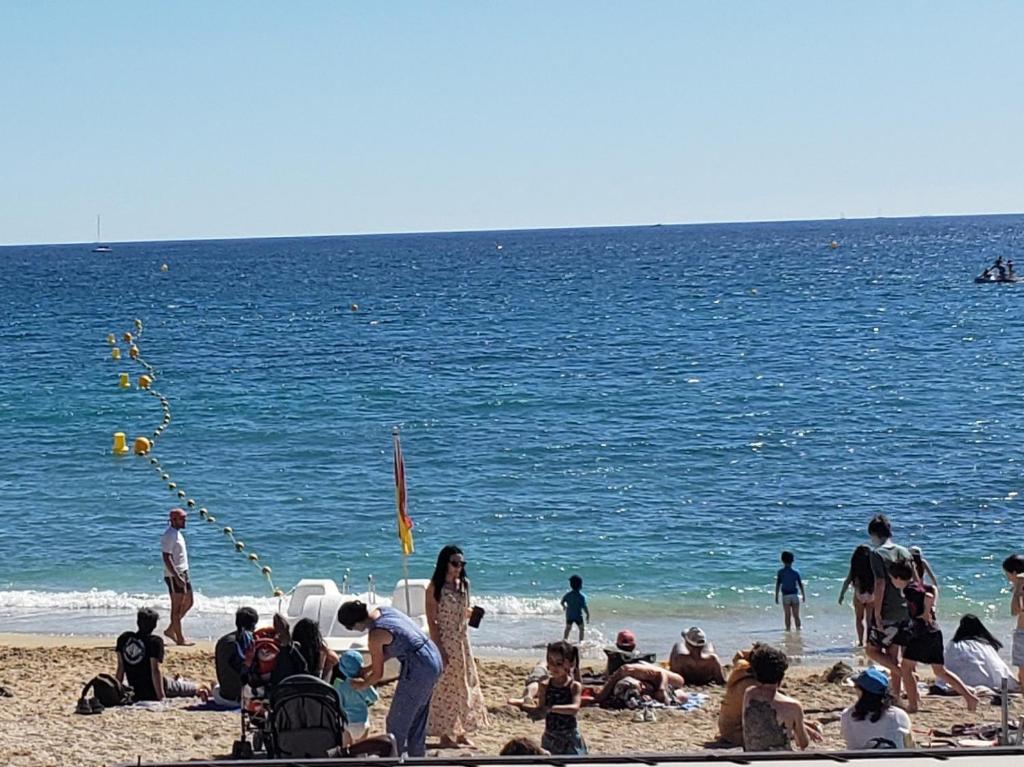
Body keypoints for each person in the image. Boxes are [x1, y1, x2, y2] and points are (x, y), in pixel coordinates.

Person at [338, 600, 442, 758]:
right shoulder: (384, 611)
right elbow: (394, 647)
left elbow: (378, 675)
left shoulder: (375, 635)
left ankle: (393, 758)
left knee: (396, 723)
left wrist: (362, 684)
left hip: (418, 667)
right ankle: (417, 757)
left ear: (356, 623)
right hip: (432, 656)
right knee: (417, 718)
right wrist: (367, 669)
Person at [888, 560, 978, 712]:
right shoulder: (916, 585)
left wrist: (925, 612)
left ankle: (913, 704)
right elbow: (931, 590)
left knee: (906, 668)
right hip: (933, 631)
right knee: (940, 671)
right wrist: (929, 611)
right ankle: (969, 697)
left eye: (891, 578)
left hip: (921, 633)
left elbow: (929, 596)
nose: (891, 581)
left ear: (897, 578)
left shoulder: (910, 590)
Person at [425, 545, 489, 748]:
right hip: (445, 640)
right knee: (446, 687)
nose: (458, 567)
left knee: (465, 684)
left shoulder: (464, 584)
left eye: (461, 564)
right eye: (454, 563)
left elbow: (463, 610)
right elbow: (432, 621)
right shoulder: (435, 587)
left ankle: (461, 731)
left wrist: (473, 613)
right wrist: (440, 649)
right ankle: (445, 734)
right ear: (445, 563)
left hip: (462, 641)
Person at [115, 607, 208, 702]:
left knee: (175, 682)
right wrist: (161, 696)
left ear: (137, 622)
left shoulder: (124, 639)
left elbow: (121, 668)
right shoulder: (154, 642)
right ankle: (188, 686)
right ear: (154, 625)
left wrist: (116, 691)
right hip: (156, 689)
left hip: (136, 688)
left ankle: (179, 681)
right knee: (201, 686)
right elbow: (155, 670)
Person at [866, 514, 912, 700]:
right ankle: (896, 694)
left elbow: (880, 583)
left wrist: (876, 612)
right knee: (893, 653)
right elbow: (914, 580)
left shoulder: (877, 554)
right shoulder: (904, 551)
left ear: (875, 534)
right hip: (905, 609)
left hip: (888, 609)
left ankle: (903, 675)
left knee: (871, 650)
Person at [512, 641, 587, 755]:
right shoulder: (545, 685)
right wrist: (524, 708)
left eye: (559, 663)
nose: (554, 667)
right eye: (551, 662)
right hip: (550, 735)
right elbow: (541, 709)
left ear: (570, 663)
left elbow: (575, 708)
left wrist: (552, 708)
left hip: (569, 736)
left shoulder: (573, 686)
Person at [742, 644, 818, 751]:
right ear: (781, 676)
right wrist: (797, 727)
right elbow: (802, 743)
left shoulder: (749, 694)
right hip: (780, 760)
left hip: (753, 757)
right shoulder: (793, 706)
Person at [839, 667, 913, 749]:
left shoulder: (847, 715)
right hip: (892, 760)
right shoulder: (898, 715)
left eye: (856, 687)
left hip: (858, 760)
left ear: (861, 691)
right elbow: (909, 745)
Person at [945, 614, 1020, 693]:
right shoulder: (983, 645)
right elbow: (997, 667)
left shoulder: (953, 644)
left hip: (958, 680)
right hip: (985, 681)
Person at [212, 606, 258, 705]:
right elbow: (243, 673)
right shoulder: (247, 641)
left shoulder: (224, 640)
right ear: (253, 625)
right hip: (238, 698)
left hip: (223, 694)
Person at [161, 507, 193, 645]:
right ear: (174, 520)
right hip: (175, 575)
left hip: (183, 572)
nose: (185, 521)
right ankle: (180, 639)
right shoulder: (169, 535)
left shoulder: (177, 533)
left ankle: (170, 629)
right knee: (177, 607)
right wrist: (176, 576)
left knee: (189, 602)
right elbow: (166, 557)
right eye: (182, 519)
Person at [334, 649, 380, 746]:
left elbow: (339, 704)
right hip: (362, 722)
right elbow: (375, 698)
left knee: (346, 749)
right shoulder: (362, 685)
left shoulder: (339, 685)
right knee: (361, 749)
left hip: (347, 723)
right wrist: (367, 681)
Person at [593, 662, 686, 706]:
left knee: (680, 682)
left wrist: (661, 688)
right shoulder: (620, 688)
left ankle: (648, 665)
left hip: (661, 676)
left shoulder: (630, 670)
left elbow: (662, 674)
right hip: (644, 681)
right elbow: (602, 696)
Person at [718, 647, 757, 746]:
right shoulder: (752, 686)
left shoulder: (741, 668)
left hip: (726, 728)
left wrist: (752, 653)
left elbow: (739, 655)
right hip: (737, 733)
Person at [838, 545, 876, 646]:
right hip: (872, 595)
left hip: (859, 595)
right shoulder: (872, 567)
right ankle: (868, 641)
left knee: (859, 619)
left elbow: (847, 581)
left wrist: (842, 595)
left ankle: (860, 642)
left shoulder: (855, 568)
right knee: (869, 621)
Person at [1002, 553, 1024, 690]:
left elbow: (1016, 610)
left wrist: (1017, 588)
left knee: (1023, 672)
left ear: (1014, 573)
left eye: (1007, 574)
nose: (1007, 577)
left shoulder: (1021, 587)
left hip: (1023, 633)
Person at [775, 551, 805, 631]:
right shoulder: (795, 572)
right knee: (796, 615)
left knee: (787, 615)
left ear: (782, 560)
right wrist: (803, 595)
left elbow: (778, 585)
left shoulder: (780, 572)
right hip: (794, 596)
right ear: (793, 560)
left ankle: (788, 630)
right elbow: (800, 584)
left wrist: (776, 596)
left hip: (785, 596)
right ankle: (798, 630)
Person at [560, 574, 590, 642]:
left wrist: (564, 606)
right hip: (578, 616)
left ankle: (565, 640)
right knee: (581, 629)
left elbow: (562, 602)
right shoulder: (581, 597)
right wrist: (588, 614)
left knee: (568, 628)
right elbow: (584, 607)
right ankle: (581, 641)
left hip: (569, 615)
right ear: (580, 586)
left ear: (571, 585)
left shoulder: (568, 595)